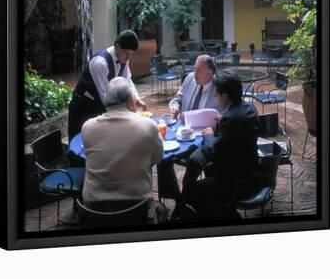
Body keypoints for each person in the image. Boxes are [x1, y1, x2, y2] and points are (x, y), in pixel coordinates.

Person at [81, 77, 165, 223]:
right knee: (162, 210)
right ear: (131, 101)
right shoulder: (148, 126)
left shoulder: (87, 127)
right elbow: (158, 158)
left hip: (94, 209)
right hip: (136, 208)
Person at [180, 71, 261, 221]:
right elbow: (239, 127)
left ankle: (220, 216)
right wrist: (224, 120)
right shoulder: (250, 108)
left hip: (235, 180)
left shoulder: (230, 118)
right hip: (252, 169)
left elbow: (212, 151)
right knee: (197, 164)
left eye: (217, 95)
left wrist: (209, 134)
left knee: (190, 190)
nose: (216, 99)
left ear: (224, 96)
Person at [157, 55, 220, 202]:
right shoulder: (190, 79)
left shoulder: (219, 88)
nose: (194, 73)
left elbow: (223, 115)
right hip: (183, 132)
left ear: (209, 73)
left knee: (193, 162)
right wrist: (174, 107)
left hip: (204, 137)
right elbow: (177, 99)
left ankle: (186, 197)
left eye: (198, 70)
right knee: (162, 153)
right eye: (194, 69)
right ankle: (172, 194)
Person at [68, 30, 147, 140]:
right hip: (83, 106)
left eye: (131, 54)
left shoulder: (124, 59)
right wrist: (126, 114)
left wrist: (137, 100)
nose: (128, 58)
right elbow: (105, 95)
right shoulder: (100, 63)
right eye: (126, 53)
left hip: (98, 105)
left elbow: (127, 81)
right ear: (117, 46)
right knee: (78, 144)